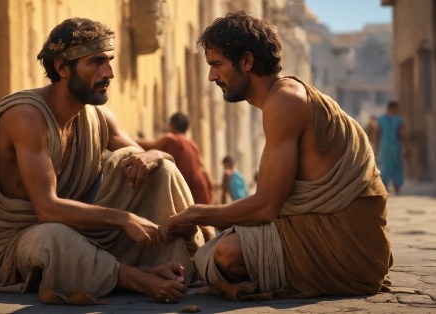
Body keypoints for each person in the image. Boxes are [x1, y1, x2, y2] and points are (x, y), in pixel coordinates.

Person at [0, 18, 204, 305]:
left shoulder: (97, 116)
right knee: (53, 237)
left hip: (85, 233)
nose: (108, 72)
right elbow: (46, 209)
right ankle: (138, 278)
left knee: (158, 169)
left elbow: (145, 157)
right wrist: (123, 219)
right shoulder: (26, 116)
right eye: (95, 62)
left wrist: (154, 154)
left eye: (109, 61)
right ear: (61, 67)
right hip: (27, 240)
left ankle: (188, 265)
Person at [163, 11, 392, 300]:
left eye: (217, 65)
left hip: (346, 252)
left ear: (246, 61)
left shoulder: (284, 101)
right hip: (343, 242)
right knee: (221, 239)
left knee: (226, 254)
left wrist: (197, 213)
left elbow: (266, 208)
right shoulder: (285, 97)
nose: (212, 76)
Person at [136, 113, 216, 241]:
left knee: (196, 224)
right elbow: (203, 166)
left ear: (172, 125)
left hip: (188, 186)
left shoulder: (170, 139)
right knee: (202, 223)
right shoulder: (193, 145)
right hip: (200, 186)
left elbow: (150, 145)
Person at [374, 101, 410, 195]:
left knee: (386, 166)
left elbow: (377, 133)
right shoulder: (398, 119)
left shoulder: (381, 119)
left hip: (385, 146)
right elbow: (403, 133)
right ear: (394, 109)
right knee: (396, 166)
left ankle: (383, 186)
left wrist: (376, 147)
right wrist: (407, 146)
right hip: (395, 147)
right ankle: (396, 188)